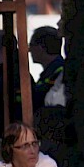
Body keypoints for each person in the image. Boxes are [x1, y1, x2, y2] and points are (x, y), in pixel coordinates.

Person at [29, 26, 66, 155]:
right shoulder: (49, 72)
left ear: (40, 47)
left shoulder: (60, 72)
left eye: (31, 45)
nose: (29, 50)